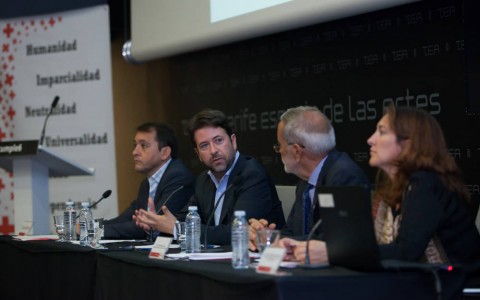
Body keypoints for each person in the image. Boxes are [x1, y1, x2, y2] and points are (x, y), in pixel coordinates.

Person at [285, 105, 480, 266]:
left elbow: (406, 252)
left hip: (458, 288)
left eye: (382, 132)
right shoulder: (394, 187)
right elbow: (369, 242)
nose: (370, 140)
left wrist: (334, 253)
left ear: (409, 143)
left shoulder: (426, 183)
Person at [134, 109, 285, 245]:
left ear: (233, 141)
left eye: (219, 140)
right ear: (198, 154)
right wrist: (157, 223)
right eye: (204, 146)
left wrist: (177, 229)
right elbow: (183, 219)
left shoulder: (252, 175)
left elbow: (236, 233)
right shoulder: (203, 180)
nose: (213, 150)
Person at [248, 106, 370, 250]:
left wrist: (280, 242)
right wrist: (265, 237)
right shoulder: (305, 182)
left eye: (279, 146)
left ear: (296, 151)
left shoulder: (343, 177)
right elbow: (292, 233)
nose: (279, 151)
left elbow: (332, 242)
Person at [103, 122, 194, 239]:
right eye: (135, 145)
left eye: (144, 146)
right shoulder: (147, 183)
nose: (135, 152)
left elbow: (152, 224)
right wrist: (93, 226)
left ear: (165, 152)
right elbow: (127, 218)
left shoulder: (178, 177)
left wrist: (94, 231)